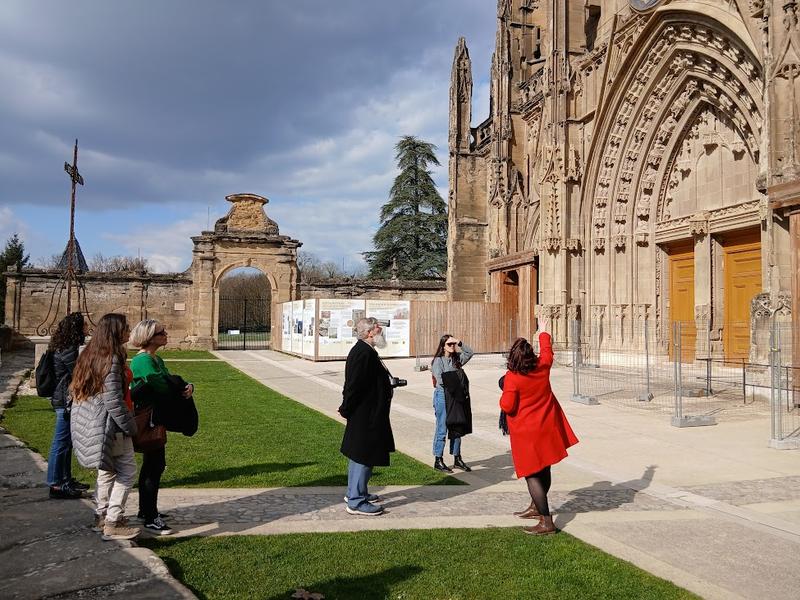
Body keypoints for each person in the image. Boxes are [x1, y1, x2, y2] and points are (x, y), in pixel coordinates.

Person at [499, 319, 579, 535]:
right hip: (546, 425)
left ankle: (546, 521)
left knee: (531, 474)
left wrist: (503, 392)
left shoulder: (513, 377)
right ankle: (536, 506)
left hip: (527, 432)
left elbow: (507, 405)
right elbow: (547, 352)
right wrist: (543, 332)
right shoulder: (542, 367)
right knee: (545, 467)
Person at [69, 313, 140, 541]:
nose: (129, 331)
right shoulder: (112, 359)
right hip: (111, 426)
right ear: (116, 332)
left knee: (106, 471)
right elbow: (113, 401)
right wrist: (130, 427)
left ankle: (101, 515)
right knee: (127, 472)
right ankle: (113, 521)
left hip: (93, 422)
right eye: (126, 328)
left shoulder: (88, 354)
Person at [129, 319, 193, 536]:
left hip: (156, 416)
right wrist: (178, 384)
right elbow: (163, 385)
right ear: (149, 337)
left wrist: (187, 386)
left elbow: (169, 380)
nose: (165, 334)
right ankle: (150, 517)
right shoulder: (143, 361)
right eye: (160, 332)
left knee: (154, 464)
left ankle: (146, 510)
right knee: (154, 465)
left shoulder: (156, 359)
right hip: (148, 418)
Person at [339, 317, 395, 516]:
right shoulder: (362, 352)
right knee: (363, 455)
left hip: (370, 413)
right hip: (365, 414)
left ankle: (357, 492)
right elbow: (353, 385)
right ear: (370, 332)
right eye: (378, 328)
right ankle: (356, 501)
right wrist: (346, 408)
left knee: (362, 455)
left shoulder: (367, 351)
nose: (381, 331)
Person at [45, 312, 90, 499]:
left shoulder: (64, 346)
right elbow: (78, 373)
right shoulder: (68, 349)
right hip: (65, 400)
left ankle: (65, 479)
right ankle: (56, 484)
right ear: (76, 328)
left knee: (67, 442)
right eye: (84, 325)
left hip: (65, 399)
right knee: (61, 442)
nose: (87, 328)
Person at [430, 334, 474, 472]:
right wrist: (458, 379)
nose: (452, 346)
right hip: (443, 396)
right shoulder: (438, 361)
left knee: (457, 426)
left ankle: (457, 458)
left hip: (455, 396)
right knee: (442, 427)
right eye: (449, 344)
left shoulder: (457, 359)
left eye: (453, 344)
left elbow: (470, 353)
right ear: (443, 346)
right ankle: (438, 459)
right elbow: (441, 380)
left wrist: (459, 342)